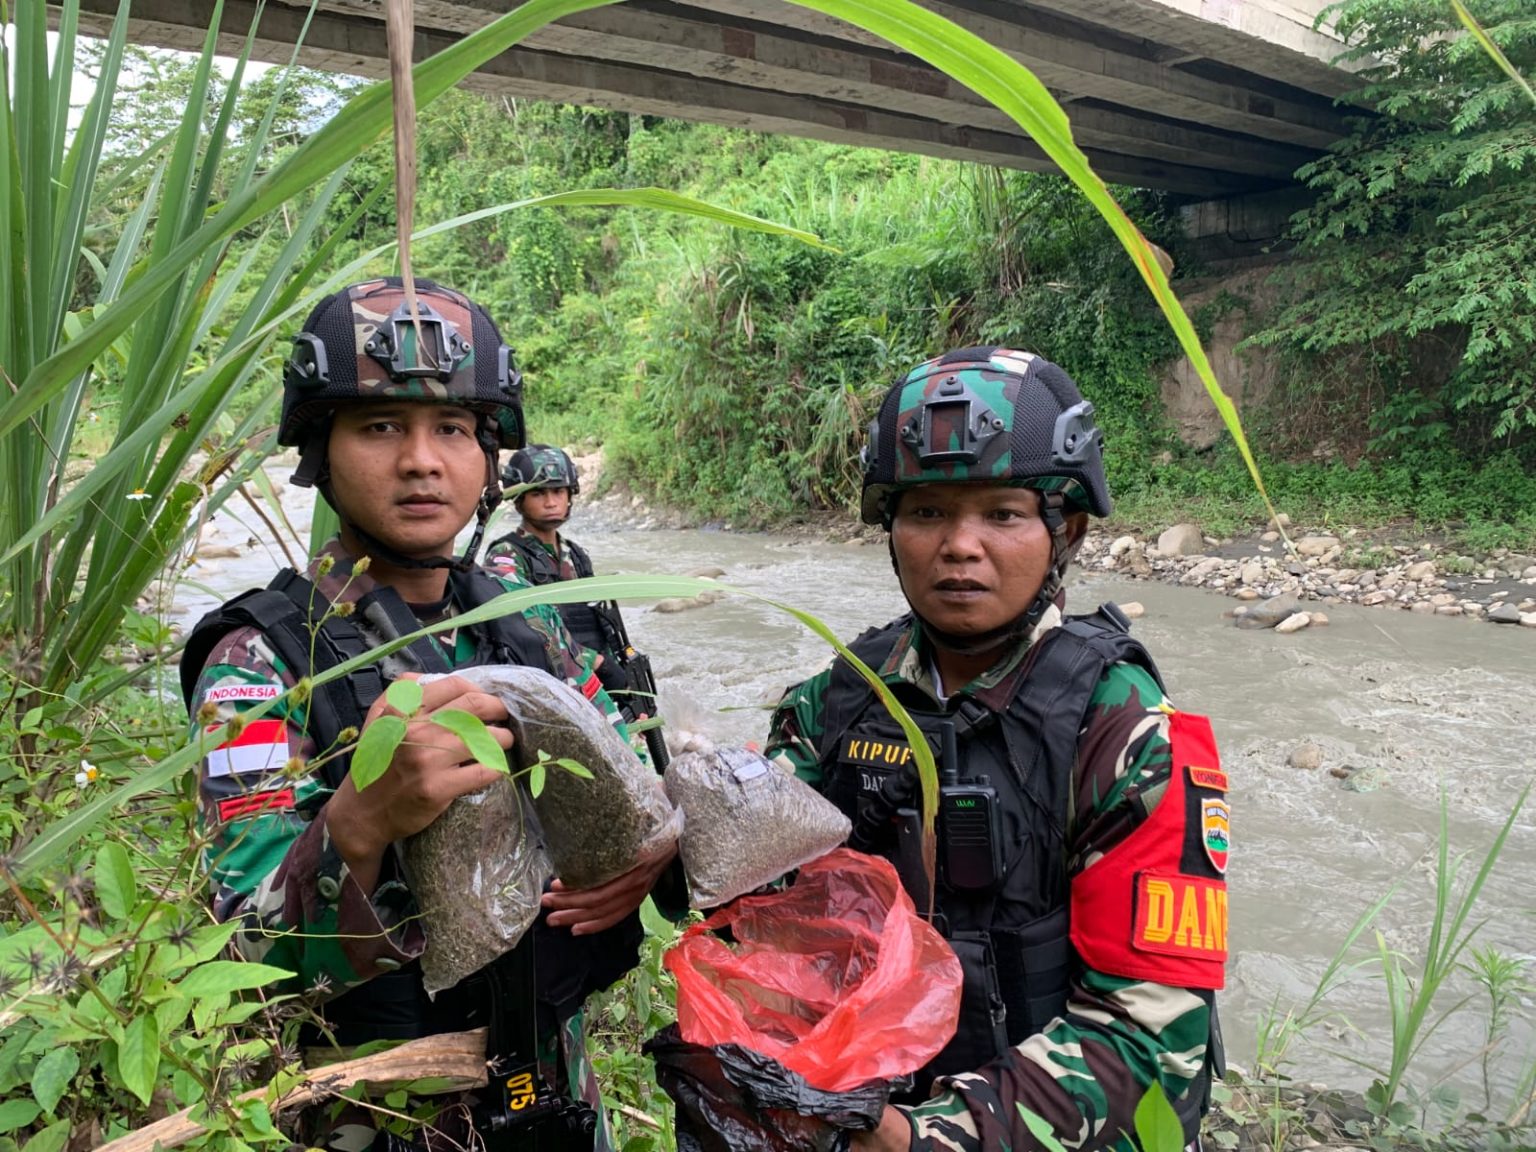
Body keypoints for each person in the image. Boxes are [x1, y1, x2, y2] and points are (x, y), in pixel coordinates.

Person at [180, 278, 672, 1151]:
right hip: (378, 1109)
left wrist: (644, 853)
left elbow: (633, 780)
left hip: (552, 1074)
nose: (421, 460)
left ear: (488, 459)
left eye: (452, 429)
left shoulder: (528, 618)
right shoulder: (259, 661)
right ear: (319, 451)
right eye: (379, 427)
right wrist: (358, 822)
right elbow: (236, 960)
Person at [765, 346, 1227, 1152]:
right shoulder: (837, 701)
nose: (960, 546)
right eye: (927, 513)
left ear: (1066, 529)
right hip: (858, 1107)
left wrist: (926, 1137)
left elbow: (1155, 1045)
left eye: (1003, 515)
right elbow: (753, 891)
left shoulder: (1127, 731)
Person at [485, 444, 668, 767]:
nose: (551, 501)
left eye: (558, 491)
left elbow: (599, 619)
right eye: (539, 493)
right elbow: (525, 631)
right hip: (553, 688)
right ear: (520, 499)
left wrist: (620, 668)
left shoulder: (576, 554)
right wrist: (596, 663)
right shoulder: (507, 556)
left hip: (595, 684)